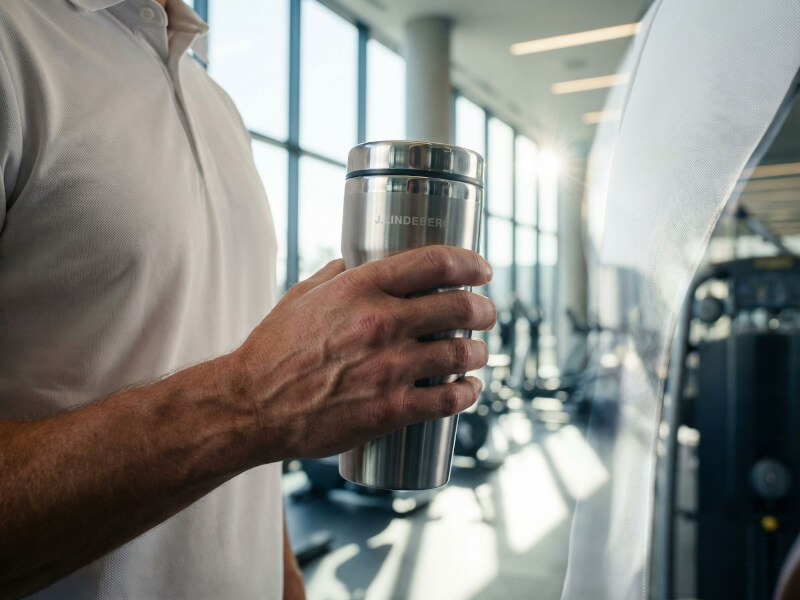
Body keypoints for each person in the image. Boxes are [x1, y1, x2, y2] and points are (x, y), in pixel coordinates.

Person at [0, 0, 495, 598]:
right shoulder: (16, 40)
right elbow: (261, 411)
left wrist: (285, 579)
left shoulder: (217, 103)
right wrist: (254, 404)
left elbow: (249, 450)